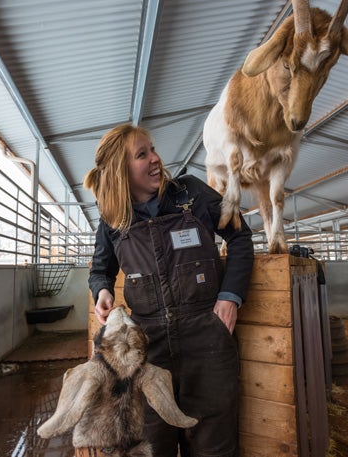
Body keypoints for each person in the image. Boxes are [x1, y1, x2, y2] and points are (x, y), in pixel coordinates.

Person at [84, 123, 254, 457]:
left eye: (154, 149)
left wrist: (230, 296)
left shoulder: (191, 193)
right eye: (142, 154)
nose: (155, 159)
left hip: (206, 340)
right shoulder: (113, 217)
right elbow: (100, 268)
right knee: (150, 443)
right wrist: (102, 290)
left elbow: (240, 236)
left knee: (214, 445)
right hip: (148, 351)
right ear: (121, 169)